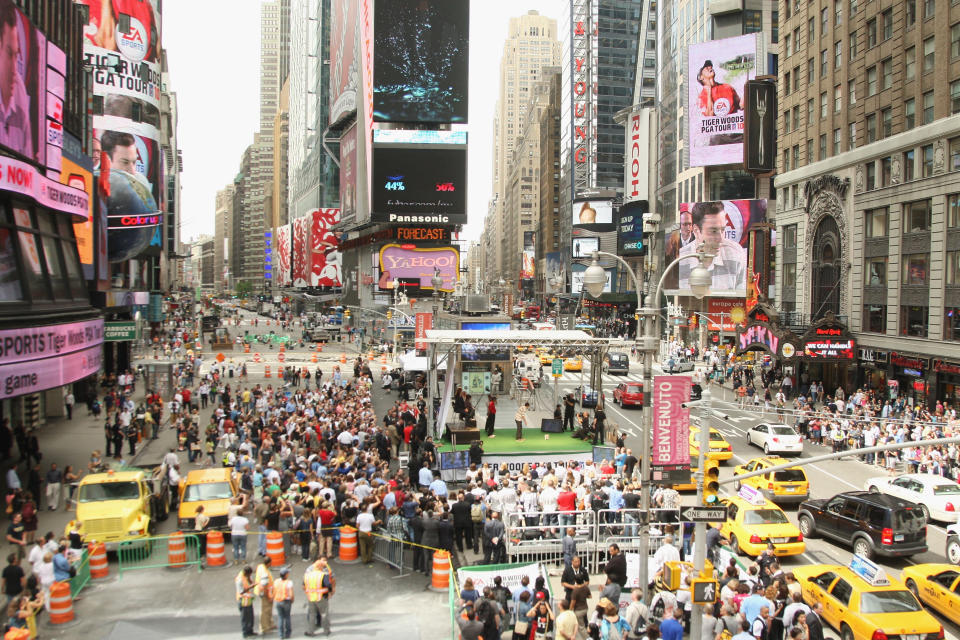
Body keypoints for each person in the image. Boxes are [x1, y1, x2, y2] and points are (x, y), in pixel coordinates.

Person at [678, 201, 747, 293]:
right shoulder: (679, 260)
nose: (720, 239)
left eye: (722, 229)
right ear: (696, 230)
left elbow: (742, 301)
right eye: (713, 231)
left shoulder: (736, 254)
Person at [0, 3, 33, 160]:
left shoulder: (19, 90)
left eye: (16, 55)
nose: (14, 69)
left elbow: (29, 156)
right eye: (8, 53)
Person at [303, 556, 335, 637]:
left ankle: (311, 631)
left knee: (312, 614)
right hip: (321, 597)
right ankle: (326, 631)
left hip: (311, 597)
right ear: (320, 566)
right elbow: (328, 584)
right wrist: (330, 592)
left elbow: (304, 585)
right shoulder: (322, 575)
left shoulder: (307, 575)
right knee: (324, 614)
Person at [255, 556, 276, 635]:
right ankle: (265, 627)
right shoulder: (264, 572)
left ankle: (270, 623)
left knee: (268, 609)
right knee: (265, 610)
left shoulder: (260, 567)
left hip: (264, 591)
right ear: (269, 563)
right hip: (265, 593)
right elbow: (264, 586)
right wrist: (269, 596)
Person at [235, 564, 256, 639]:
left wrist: (251, 581)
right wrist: (251, 587)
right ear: (246, 573)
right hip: (242, 600)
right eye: (249, 574)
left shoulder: (245, 575)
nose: (250, 575)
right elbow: (241, 591)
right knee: (244, 617)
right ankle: (245, 633)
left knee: (250, 616)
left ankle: (250, 631)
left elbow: (249, 580)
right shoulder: (239, 579)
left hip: (248, 599)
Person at [273, 566, 294, 640]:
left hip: (278, 601)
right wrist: (292, 600)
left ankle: (281, 635)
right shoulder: (289, 582)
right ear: (286, 574)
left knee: (280, 617)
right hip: (286, 601)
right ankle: (288, 633)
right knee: (287, 617)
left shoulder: (276, 581)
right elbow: (291, 595)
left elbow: (274, 592)